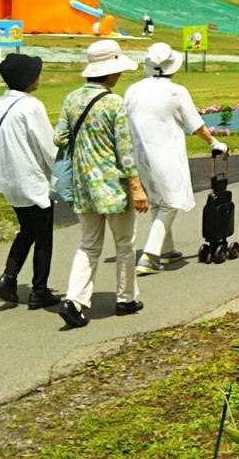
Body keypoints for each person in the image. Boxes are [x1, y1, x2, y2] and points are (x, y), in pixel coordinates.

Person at [55, 40, 149, 329]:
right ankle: (126, 298)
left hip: (84, 185)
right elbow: (125, 149)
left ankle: (75, 300)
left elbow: (59, 138)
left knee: (88, 244)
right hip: (114, 186)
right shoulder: (114, 103)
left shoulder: (71, 99)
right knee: (124, 243)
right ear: (109, 73)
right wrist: (136, 186)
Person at [125, 43, 228, 275]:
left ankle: (166, 249)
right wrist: (215, 143)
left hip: (139, 153)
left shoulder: (132, 90)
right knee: (170, 203)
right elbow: (196, 124)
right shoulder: (176, 91)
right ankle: (150, 256)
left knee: (158, 201)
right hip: (165, 153)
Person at [0, 53, 61, 309]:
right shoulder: (32, 106)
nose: (39, 77)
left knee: (27, 230)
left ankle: (9, 277)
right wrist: (64, 175)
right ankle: (39, 290)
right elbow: (49, 147)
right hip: (33, 180)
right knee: (43, 237)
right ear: (28, 79)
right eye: (36, 74)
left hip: (10, 178)